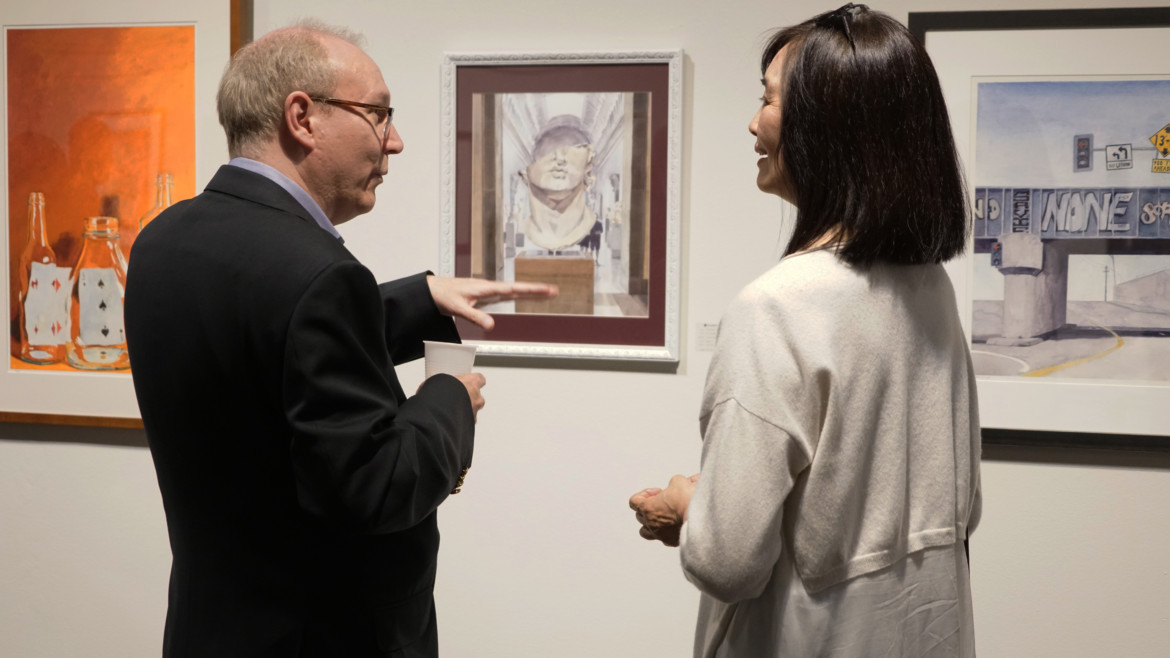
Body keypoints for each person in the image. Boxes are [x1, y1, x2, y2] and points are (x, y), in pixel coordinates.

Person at [125, 20, 554, 657]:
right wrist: (446, 398)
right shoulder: (319, 274)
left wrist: (418, 300)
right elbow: (376, 488)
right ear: (302, 117)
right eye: (378, 114)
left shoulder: (162, 240)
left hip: (212, 629)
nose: (396, 141)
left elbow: (268, 351)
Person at [628, 5, 981, 656]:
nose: (753, 122)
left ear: (831, 131)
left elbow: (727, 562)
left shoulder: (777, 308)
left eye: (769, 99)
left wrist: (687, 507)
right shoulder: (930, 289)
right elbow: (945, 507)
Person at [518, 115, 598, 251]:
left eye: (574, 148)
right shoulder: (523, 226)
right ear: (526, 175)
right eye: (547, 150)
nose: (559, 158)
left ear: (588, 174)